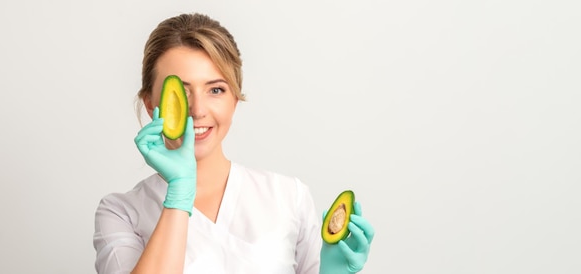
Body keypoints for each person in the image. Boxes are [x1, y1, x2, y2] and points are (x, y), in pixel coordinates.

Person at [93, 12, 375, 274]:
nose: (198, 110)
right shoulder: (121, 213)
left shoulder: (289, 196)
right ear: (150, 103)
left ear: (235, 99)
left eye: (216, 89)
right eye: (179, 91)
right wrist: (179, 193)